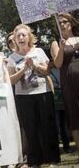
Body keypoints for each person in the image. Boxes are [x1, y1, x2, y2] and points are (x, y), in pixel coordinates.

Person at [7, 24, 60, 167]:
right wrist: (24, 69)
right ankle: (35, 161)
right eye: (18, 36)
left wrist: (35, 66)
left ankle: (52, 160)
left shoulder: (39, 51)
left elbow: (47, 71)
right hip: (23, 97)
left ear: (29, 37)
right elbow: (10, 80)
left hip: (43, 92)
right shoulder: (11, 58)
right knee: (30, 128)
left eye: (24, 35)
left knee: (47, 126)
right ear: (15, 40)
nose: (21, 38)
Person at [50, 13, 79, 155]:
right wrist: (62, 47)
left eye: (65, 21)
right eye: (59, 22)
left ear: (71, 23)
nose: (62, 24)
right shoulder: (56, 42)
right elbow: (57, 63)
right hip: (68, 81)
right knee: (74, 115)